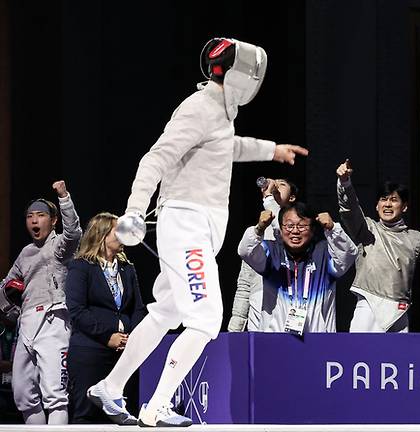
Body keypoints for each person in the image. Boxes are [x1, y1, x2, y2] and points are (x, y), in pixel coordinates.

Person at [87, 37, 307, 427]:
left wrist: (270, 150)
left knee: (164, 313)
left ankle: (110, 386)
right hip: (185, 223)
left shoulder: (221, 113)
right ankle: (154, 408)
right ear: (236, 74)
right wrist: (135, 211)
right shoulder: (198, 107)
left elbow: (225, 147)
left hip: (200, 227)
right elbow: (154, 158)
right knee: (206, 319)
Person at [1, 180, 82, 424]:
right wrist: (11, 312)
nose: (34, 221)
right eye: (29, 216)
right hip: (26, 323)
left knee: (54, 393)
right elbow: (5, 286)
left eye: (40, 215)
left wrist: (64, 197)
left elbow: (74, 232)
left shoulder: (59, 246)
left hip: (53, 319)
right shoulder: (25, 253)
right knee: (23, 393)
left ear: (53, 220)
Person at [336, 159, 420, 332]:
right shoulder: (367, 229)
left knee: (396, 359)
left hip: (399, 311)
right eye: (383, 199)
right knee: (359, 355)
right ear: (377, 205)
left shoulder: (415, 238)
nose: (388, 204)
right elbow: (350, 209)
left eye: (394, 200)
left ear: (404, 206)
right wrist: (345, 183)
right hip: (368, 307)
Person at [66, 213, 147, 423]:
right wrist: (107, 336)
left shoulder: (127, 268)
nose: (124, 235)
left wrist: (131, 337)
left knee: (123, 417)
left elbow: (138, 308)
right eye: (117, 231)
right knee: (87, 416)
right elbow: (77, 310)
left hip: (125, 352)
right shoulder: (81, 266)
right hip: (90, 350)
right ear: (101, 234)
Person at [238, 202, 358, 333]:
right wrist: (259, 229)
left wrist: (333, 229)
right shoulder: (271, 252)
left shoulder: (324, 252)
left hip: (318, 342)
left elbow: (349, 254)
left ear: (312, 230)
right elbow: (245, 251)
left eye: (302, 226)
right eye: (289, 226)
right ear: (281, 229)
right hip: (276, 340)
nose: (295, 231)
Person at [228, 178, 298, 332]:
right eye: (274, 183)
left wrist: (269, 199)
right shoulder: (256, 233)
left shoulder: (299, 230)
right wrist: (236, 325)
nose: (276, 186)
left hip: (288, 298)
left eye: (282, 185)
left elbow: (283, 232)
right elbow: (245, 282)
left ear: (292, 197)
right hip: (258, 299)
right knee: (261, 351)